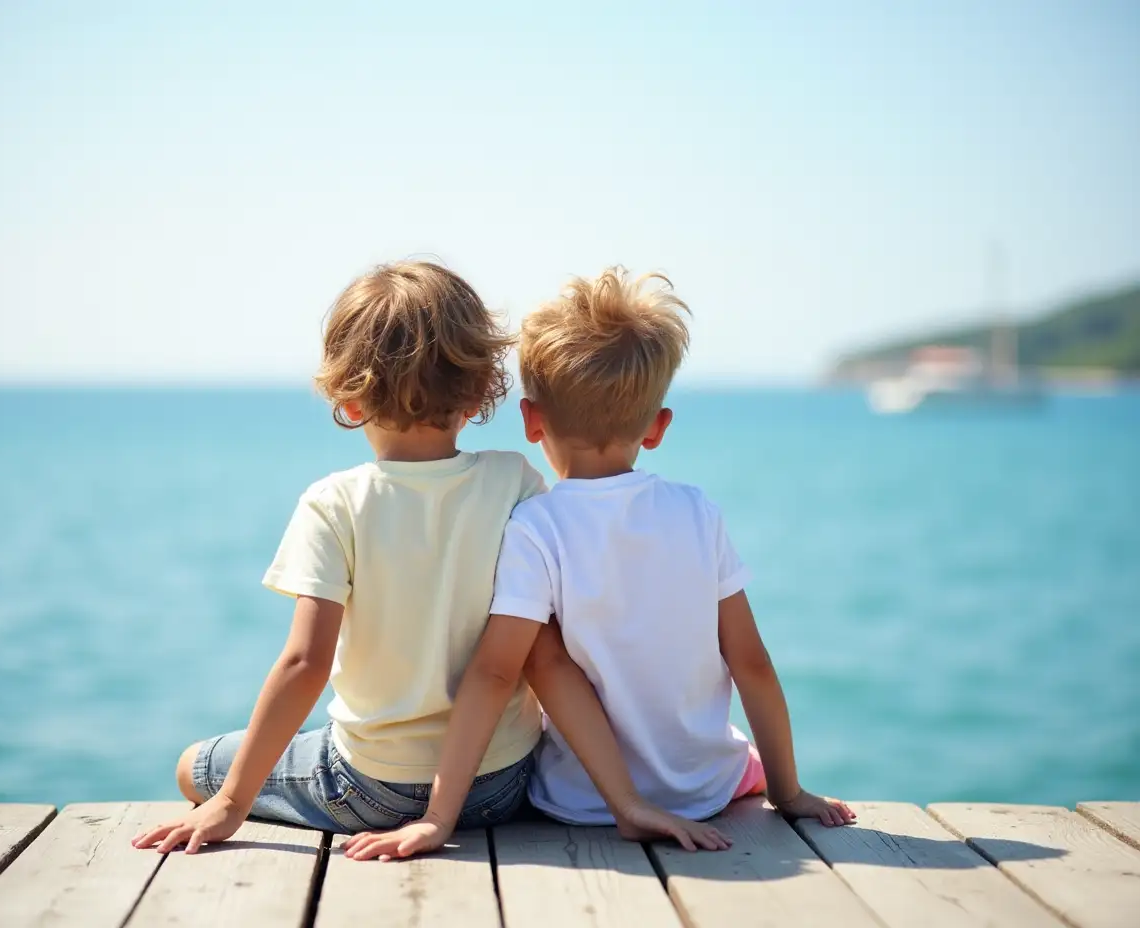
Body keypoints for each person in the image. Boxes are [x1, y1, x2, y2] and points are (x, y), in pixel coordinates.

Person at [133, 260, 717, 855]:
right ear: (478, 389)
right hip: (502, 784)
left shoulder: (334, 504)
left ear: (350, 398)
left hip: (371, 788)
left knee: (193, 766)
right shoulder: (513, 480)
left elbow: (304, 664)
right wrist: (628, 802)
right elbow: (547, 660)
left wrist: (232, 804)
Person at [342, 267, 854, 862]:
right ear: (657, 427)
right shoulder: (697, 512)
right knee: (741, 759)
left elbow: (498, 673)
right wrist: (788, 793)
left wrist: (438, 817)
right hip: (706, 791)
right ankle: (755, 777)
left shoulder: (536, 527)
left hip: (580, 801)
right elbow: (751, 663)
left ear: (532, 422)